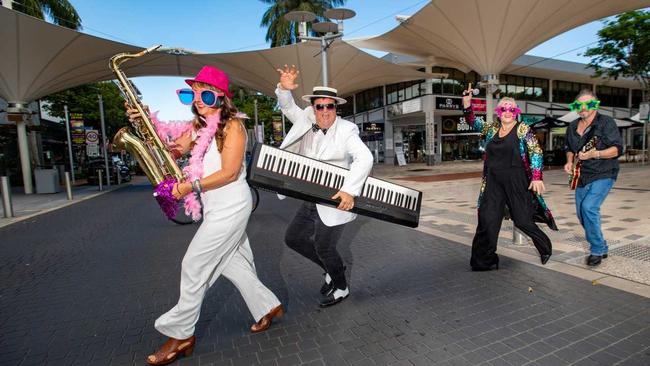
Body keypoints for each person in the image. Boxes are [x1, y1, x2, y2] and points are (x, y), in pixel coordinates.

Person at [128, 65, 283, 365]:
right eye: (192, 94)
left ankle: (181, 333)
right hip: (214, 205)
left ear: (221, 98)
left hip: (232, 205)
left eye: (206, 94)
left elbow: (229, 172)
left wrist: (189, 186)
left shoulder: (234, 127)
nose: (198, 100)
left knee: (194, 264)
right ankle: (268, 306)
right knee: (233, 263)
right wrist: (144, 122)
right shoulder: (198, 128)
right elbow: (171, 149)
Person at [275, 65, 373, 307]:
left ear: (335, 108)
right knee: (294, 238)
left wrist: (350, 190)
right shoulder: (306, 119)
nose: (325, 111)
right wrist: (283, 89)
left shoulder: (347, 130)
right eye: (320, 106)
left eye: (330, 106)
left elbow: (365, 158)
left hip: (336, 198)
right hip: (311, 196)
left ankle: (341, 286)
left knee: (323, 245)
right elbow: (287, 107)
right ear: (313, 108)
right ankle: (332, 268)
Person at [462, 86, 557, 271]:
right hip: (492, 183)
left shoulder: (523, 129)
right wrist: (467, 104)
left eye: (511, 109)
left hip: (517, 183)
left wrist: (537, 177)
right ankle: (485, 260)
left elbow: (536, 151)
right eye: (503, 108)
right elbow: (473, 121)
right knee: (486, 219)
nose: (507, 112)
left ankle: (545, 246)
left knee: (522, 221)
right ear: (498, 112)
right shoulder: (491, 128)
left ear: (516, 112)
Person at [563, 89, 623, 266]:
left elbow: (617, 149)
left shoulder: (606, 122)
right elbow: (569, 148)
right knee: (582, 214)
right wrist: (569, 161)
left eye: (588, 104)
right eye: (578, 105)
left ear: (595, 105)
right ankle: (602, 246)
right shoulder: (572, 126)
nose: (583, 108)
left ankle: (596, 250)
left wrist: (595, 154)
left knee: (589, 208)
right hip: (581, 175)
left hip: (604, 171)